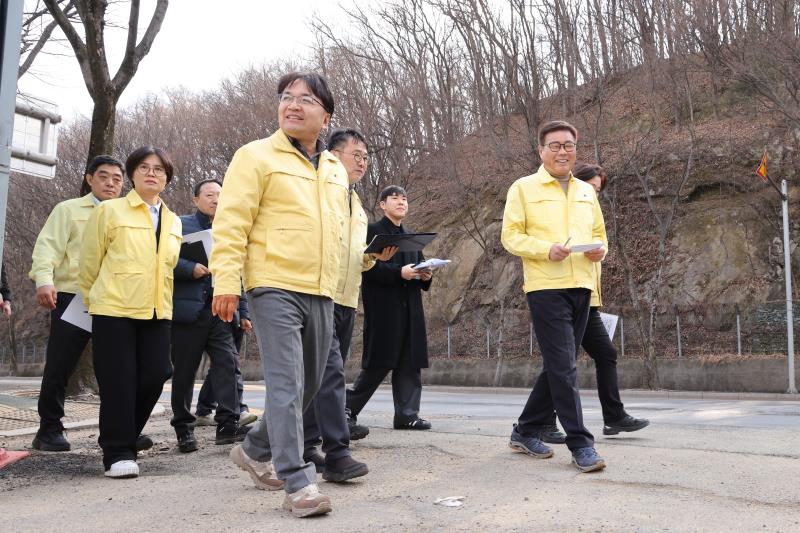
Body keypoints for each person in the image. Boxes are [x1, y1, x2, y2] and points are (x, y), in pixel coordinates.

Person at [211, 71, 349, 518]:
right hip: (273, 283)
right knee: (286, 384)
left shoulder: (334, 169)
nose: (293, 104)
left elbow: (337, 233)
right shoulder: (255, 156)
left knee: (308, 387)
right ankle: (298, 480)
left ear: (325, 116)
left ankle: (253, 449)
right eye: (286, 97)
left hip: (321, 288)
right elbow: (231, 223)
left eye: (306, 99)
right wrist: (226, 282)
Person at [500, 120, 608, 473]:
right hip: (546, 286)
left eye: (569, 145)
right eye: (555, 146)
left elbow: (599, 233)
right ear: (541, 151)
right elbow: (510, 237)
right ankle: (581, 444)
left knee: (559, 366)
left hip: (582, 285)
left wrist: (600, 251)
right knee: (564, 366)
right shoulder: (523, 188)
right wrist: (546, 249)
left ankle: (525, 429)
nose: (563, 151)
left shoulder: (585, 191)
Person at [79, 146, 182, 479]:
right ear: (133, 174)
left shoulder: (173, 221)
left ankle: (123, 433)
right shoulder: (110, 211)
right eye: (144, 168)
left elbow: (167, 267)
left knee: (157, 373)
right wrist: (95, 299)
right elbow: (90, 262)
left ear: (167, 178)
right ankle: (118, 452)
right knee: (118, 381)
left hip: (157, 310)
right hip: (114, 308)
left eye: (159, 169)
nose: (152, 174)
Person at [301, 128, 392, 480]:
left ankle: (307, 446)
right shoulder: (321, 192)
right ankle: (337, 451)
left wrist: (372, 257)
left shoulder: (357, 204)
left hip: (347, 297)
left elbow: (351, 255)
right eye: (357, 155)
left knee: (319, 378)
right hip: (321, 294)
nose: (363, 162)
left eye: (366, 157)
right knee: (330, 374)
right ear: (333, 156)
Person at [28, 155, 124, 452]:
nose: (111, 183)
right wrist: (44, 280)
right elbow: (47, 247)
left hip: (116, 299)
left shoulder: (127, 215)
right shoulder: (68, 210)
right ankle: (49, 429)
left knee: (117, 367)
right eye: (104, 176)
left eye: (117, 179)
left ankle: (119, 432)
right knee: (61, 364)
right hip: (74, 296)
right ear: (89, 179)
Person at [169, 179, 252, 453]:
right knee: (185, 372)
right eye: (209, 195)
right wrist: (189, 268)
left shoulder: (230, 228)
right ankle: (184, 428)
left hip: (221, 311)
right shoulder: (179, 225)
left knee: (227, 364)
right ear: (196, 200)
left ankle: (228, 424)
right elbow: (163, 259)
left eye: (220, 194)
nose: (216, 199)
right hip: (189, 312)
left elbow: (238, 273)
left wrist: (243, 311)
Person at [346, 185, 434, 432]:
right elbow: (365, 267)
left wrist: (426, 275)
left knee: (410, 362)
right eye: (395, 198)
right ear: (383, 204)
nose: (401, 202)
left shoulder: (412, 236)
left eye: (404, 198)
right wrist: (398, 273)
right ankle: (347, 408)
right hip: (384, 308)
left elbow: (418, 267)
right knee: (379, 363)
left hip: (411, 308)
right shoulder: (372, 231)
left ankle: (407, 415)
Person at [194, 306, 256, 427]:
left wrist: (244, 314)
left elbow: (241, 294)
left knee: (222, 366)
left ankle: (204, 409)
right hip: (220, 316)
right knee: (230, 364)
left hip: (235, 316)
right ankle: (239, 409)